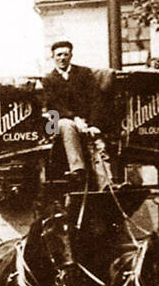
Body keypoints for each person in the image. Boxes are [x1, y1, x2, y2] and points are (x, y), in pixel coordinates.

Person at [40, 41, 110, 187]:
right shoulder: (48, 79)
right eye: (59, 55)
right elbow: (53, 106)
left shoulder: (84, 74)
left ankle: (107, 185)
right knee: (67, 125)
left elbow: (96, 100)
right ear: (53, 57)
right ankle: (78, 169)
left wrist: (93, 125)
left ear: (71, 55)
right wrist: (75, 118)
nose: (62, 58)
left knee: (97, 142)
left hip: (85, 122)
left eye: (66, 54)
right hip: (56, 122)